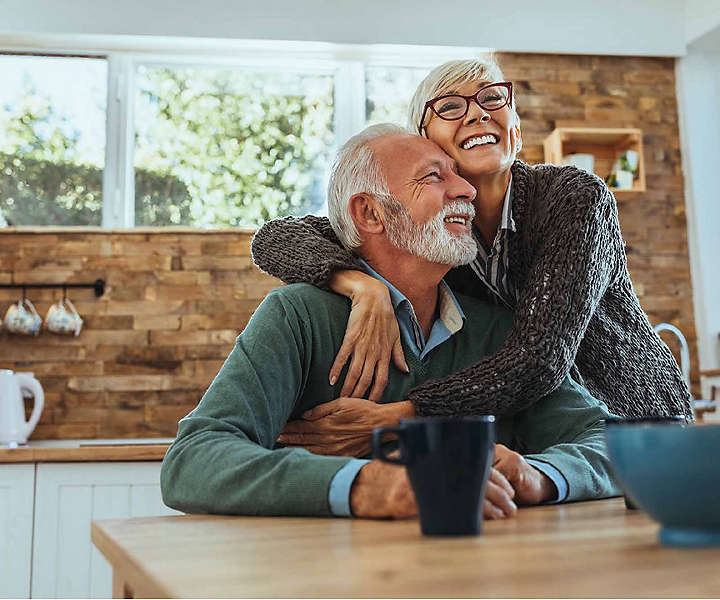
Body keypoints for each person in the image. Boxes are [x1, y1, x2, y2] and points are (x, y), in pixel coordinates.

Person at [161, 124, 619, 520]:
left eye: (458, 175)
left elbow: (610, 443)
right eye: (434, 177)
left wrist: (537, 474)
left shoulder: (497, 330)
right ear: (370, 213)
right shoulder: (297, 316)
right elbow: (193, 461)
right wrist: (368, 485)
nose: (466, 190)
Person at [251, 58, 692, 457]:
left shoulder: (574, 198)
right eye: (450, 107)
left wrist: (401, 414)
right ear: (426, 143)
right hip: (534, 439)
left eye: (491, 98)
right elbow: (276, 237)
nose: (478, 112)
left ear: (515, 128)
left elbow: (539, 359)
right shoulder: (431, 232)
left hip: (632, 421)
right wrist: (360, 284)